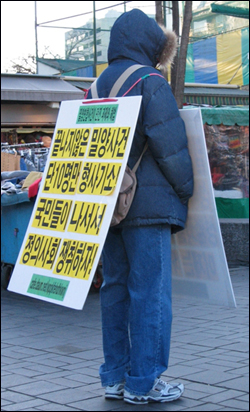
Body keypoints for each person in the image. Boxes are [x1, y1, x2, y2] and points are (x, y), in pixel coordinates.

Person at [86, 8, 194, 405]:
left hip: (106, 206)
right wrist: (186, 192)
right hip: (147, 208)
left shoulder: (94, 87)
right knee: (150, 293)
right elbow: (171, 145)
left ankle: (114, 377)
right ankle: (144, 382)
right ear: (151, 44)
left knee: (115, 290)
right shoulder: (151, 81)